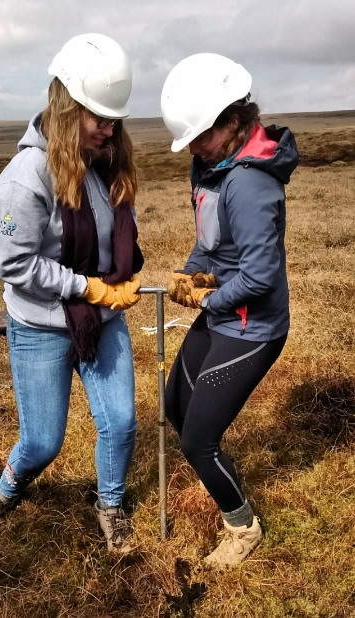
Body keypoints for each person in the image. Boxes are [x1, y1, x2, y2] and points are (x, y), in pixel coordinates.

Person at [0, 33, 144, 554]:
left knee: (123, 422)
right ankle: (8, 489)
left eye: (115, 120)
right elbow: (12, 262)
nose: (110, 131)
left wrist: (123, 274)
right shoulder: (24, 179)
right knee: (43, 441)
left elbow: (116, 231)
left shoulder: (103, 158)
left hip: (101, 318)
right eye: (98, 119)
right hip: (42, 325)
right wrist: (89, 286)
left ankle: (109, 504)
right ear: (67, 108)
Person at [161, 53, 298, 567]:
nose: (194, 147)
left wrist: (208, 297)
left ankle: (243, 528)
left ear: (234, 123)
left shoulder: (250, 183)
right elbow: (212, 246)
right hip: (223, 314)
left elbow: (260, 276)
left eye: (201, 136)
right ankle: (219, 469)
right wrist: (190, 271)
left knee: (197, 439)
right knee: (176, 405)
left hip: (253, 327)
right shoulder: (211, 167)